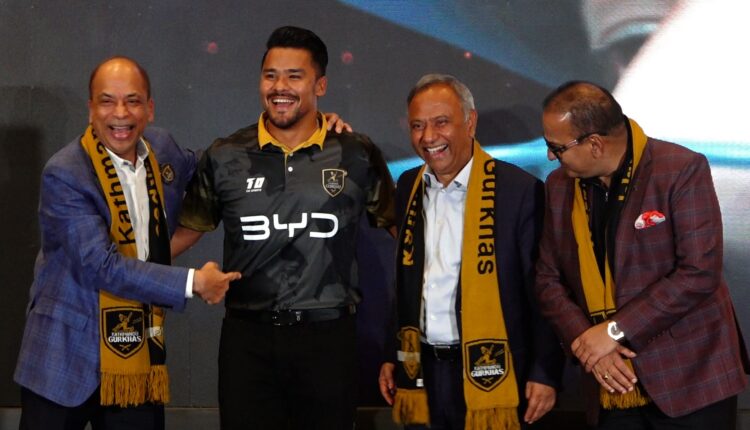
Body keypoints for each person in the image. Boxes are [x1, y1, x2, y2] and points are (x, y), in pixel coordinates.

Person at [173, 26, 396, 429]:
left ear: (320, 85)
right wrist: (120, 267)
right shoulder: (226, 155)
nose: (280, 87)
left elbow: (403, 233)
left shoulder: (356, 152)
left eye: (295, 76)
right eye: (270, 75)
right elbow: (186, 233)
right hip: (248, 341)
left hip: (328, 339)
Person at [13, 56, 242, 430]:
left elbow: (213, 164)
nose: (120, 114)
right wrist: (194, 282)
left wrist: (312, 125)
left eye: (133, 101)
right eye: (107, 101)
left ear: (149, 108)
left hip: (136, 359)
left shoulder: (162, 148)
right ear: (91, 109)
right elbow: (101, 266)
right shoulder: (65, 173)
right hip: (65, 359)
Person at [534, 80, 750, 429]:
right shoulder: (558, 186)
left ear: (595, 144)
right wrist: (588, 344)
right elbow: (548, 279)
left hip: (691, 380)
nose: (549, 156)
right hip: (609, 381)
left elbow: (699, 272)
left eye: (556, 147)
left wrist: (614, 331)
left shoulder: (680, 169)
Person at [378, 74, 563, 430]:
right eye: (417, 126)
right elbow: (407, 281)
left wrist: (545, 371)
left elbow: (543, 289)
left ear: (470, 122)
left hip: (496, 372)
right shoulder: (407, 187)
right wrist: (393, 353)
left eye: (441, 122)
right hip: (422, 372)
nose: (428, 137)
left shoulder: (519, 191)